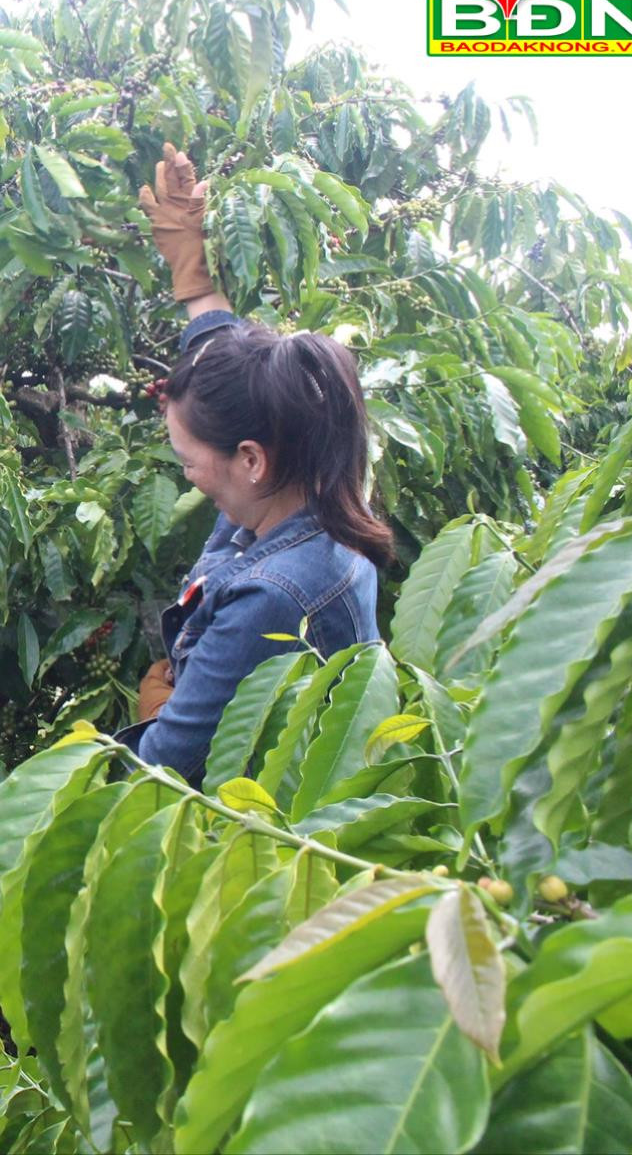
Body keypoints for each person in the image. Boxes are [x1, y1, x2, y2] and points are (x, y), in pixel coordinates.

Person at [127, 145, 391, 784]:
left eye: (190, 461)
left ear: (249, 458)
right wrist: (193, 272)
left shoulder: (273, 595)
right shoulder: (305, 472)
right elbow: (229, 356)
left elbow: (163, 771)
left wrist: (155, 719)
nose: (187, 475)